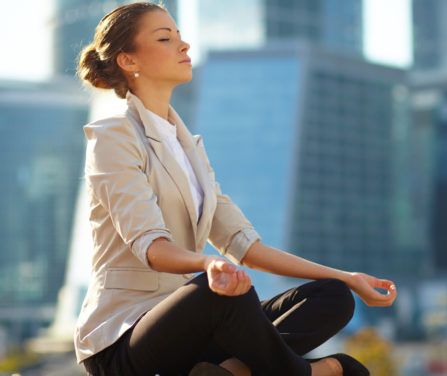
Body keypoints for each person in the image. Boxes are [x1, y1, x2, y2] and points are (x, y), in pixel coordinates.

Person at [74, 2, 397, 375]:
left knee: (334, 296)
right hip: (124, 339)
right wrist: (208, 262)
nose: (184, 46)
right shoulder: (114, 136)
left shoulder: (188, 147)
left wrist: (347, 277)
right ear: (129, 61)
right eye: (165, 38)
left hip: (192, 332)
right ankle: (301, 373)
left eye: (180, 36)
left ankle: (231, 372)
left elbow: (246, 247)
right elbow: (152, 247)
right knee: (226, 293)